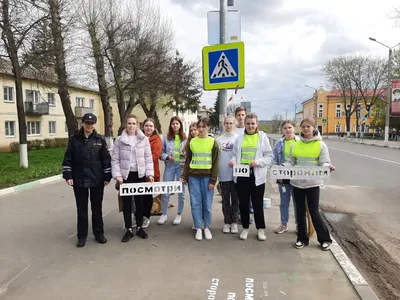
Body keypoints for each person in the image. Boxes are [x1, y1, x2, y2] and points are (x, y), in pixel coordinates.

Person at [62, 113, 111, 248]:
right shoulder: (74, 140)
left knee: (97, 209)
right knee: (82, 210)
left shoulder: (100, 140)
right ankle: (82, 236)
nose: (89, 126)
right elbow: (68, 159)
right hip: (79, 180)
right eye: (87, 123)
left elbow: (106, 160)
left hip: (97, 179)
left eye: (92, 123)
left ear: (95, 124)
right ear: (82, 124)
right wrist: (68, 176)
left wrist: (107, 177)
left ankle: (99, 234)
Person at [288, 118, 335, 251]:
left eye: (308, 126)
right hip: (297, 183)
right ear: (300, 129)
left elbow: (324, 162)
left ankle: (325, 239)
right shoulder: (295, 145)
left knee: (314, 211)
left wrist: (327, 167)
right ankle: (302, 239)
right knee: (300, 212)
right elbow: (291, 162)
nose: (306, 129)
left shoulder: (321, 145)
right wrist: (281, 168)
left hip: (313, 184)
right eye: (303, 127)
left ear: (313, 128)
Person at [229, 113, 273, 241]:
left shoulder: (262, 138)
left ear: (257, 124)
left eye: (253, 123)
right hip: (242, 175)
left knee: (257, 203)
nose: (250, 126)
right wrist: (232, 161)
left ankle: (260, 229)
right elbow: (234, 154)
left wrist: (257, 162)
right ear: (245, 124)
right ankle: (245, 228)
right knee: (243, 204)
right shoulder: (239, 138)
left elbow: (269, 157)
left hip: (256, 176)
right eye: (248, 123)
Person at [111, 114, 154, 242]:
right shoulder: (119, 140)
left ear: (137, 125)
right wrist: (118, 175)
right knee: (127, 203)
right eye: (129, 123)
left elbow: (148, 158)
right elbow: (115, 159)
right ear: (126, 124)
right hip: (126, 176)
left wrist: (149, 174)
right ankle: (129, 229)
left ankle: (140, 227)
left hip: (139, 175)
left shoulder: (143, 139)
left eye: (134, 123)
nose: (131, 126)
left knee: (140, 202)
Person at [181, 118, 220, 241]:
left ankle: (206, 227)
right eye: (199, 127)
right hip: (193, 177)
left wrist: (213, 180)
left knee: (207, 204)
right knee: (195, 203)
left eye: (204, 126)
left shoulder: (213, 142)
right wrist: (184, 175)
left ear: (208, 127)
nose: (201, 129)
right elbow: (188, 161)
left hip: (207, 177)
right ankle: (198, 227)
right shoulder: (192, 142)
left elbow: (215, 162)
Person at [158, 116, 187, 225]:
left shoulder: (185, 139)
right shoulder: (165, 138)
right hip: (170, 166)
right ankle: (164, 214)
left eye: (177, 123)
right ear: (171, 125)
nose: (175, 125)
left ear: (180, 125)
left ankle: (179, 214)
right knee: (166, 190)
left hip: (181, 167)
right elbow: (161, 153)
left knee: (181, 192)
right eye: (173, 123)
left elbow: (188, 153)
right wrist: (167, 157)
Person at [272, 120, 299, 234]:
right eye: (285, 128)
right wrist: (277, 173)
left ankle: (299, 225)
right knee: (284, 202)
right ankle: (284, 224)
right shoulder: (279, 143)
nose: (288, 130)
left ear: (294, 128)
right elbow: (275, 160)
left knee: (298, 202)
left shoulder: (300, 142)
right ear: (282, 130)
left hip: (297, 176)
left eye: (290, 127)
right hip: (283, 177)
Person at [216, 115, 239, 234]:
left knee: (235, 200)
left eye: (231, 123)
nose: (229, 125)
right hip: (223, 175)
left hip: (235, 175)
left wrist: (235, 161)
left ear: (234, 124)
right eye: (227, 123)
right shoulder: (219, 140)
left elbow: (240, 155)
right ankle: (227, 222)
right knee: (225, 200)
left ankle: (234, 222)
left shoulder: (239, 138)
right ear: (224, 124)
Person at [234, 106, 254, 224]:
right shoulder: (234, 130)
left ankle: (249, 214)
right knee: (239, 193)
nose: (241, 117)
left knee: (250, 193)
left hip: (250, 167)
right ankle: (239, 213)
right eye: (239, 115)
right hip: (237, 167)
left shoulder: (251, 129)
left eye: (243, 115)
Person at [142, 118, 162, 228]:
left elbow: (155, 155)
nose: (148, 128)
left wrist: (140, 162)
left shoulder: (156, 140)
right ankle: (137, 216)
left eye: (151, 126)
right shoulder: (138, 138)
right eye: (146, 125)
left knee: (147, 197)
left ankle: (146, 217)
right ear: (143, 127)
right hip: (138, 173)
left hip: (151, 172)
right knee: (138, 196)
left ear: (154, 128)